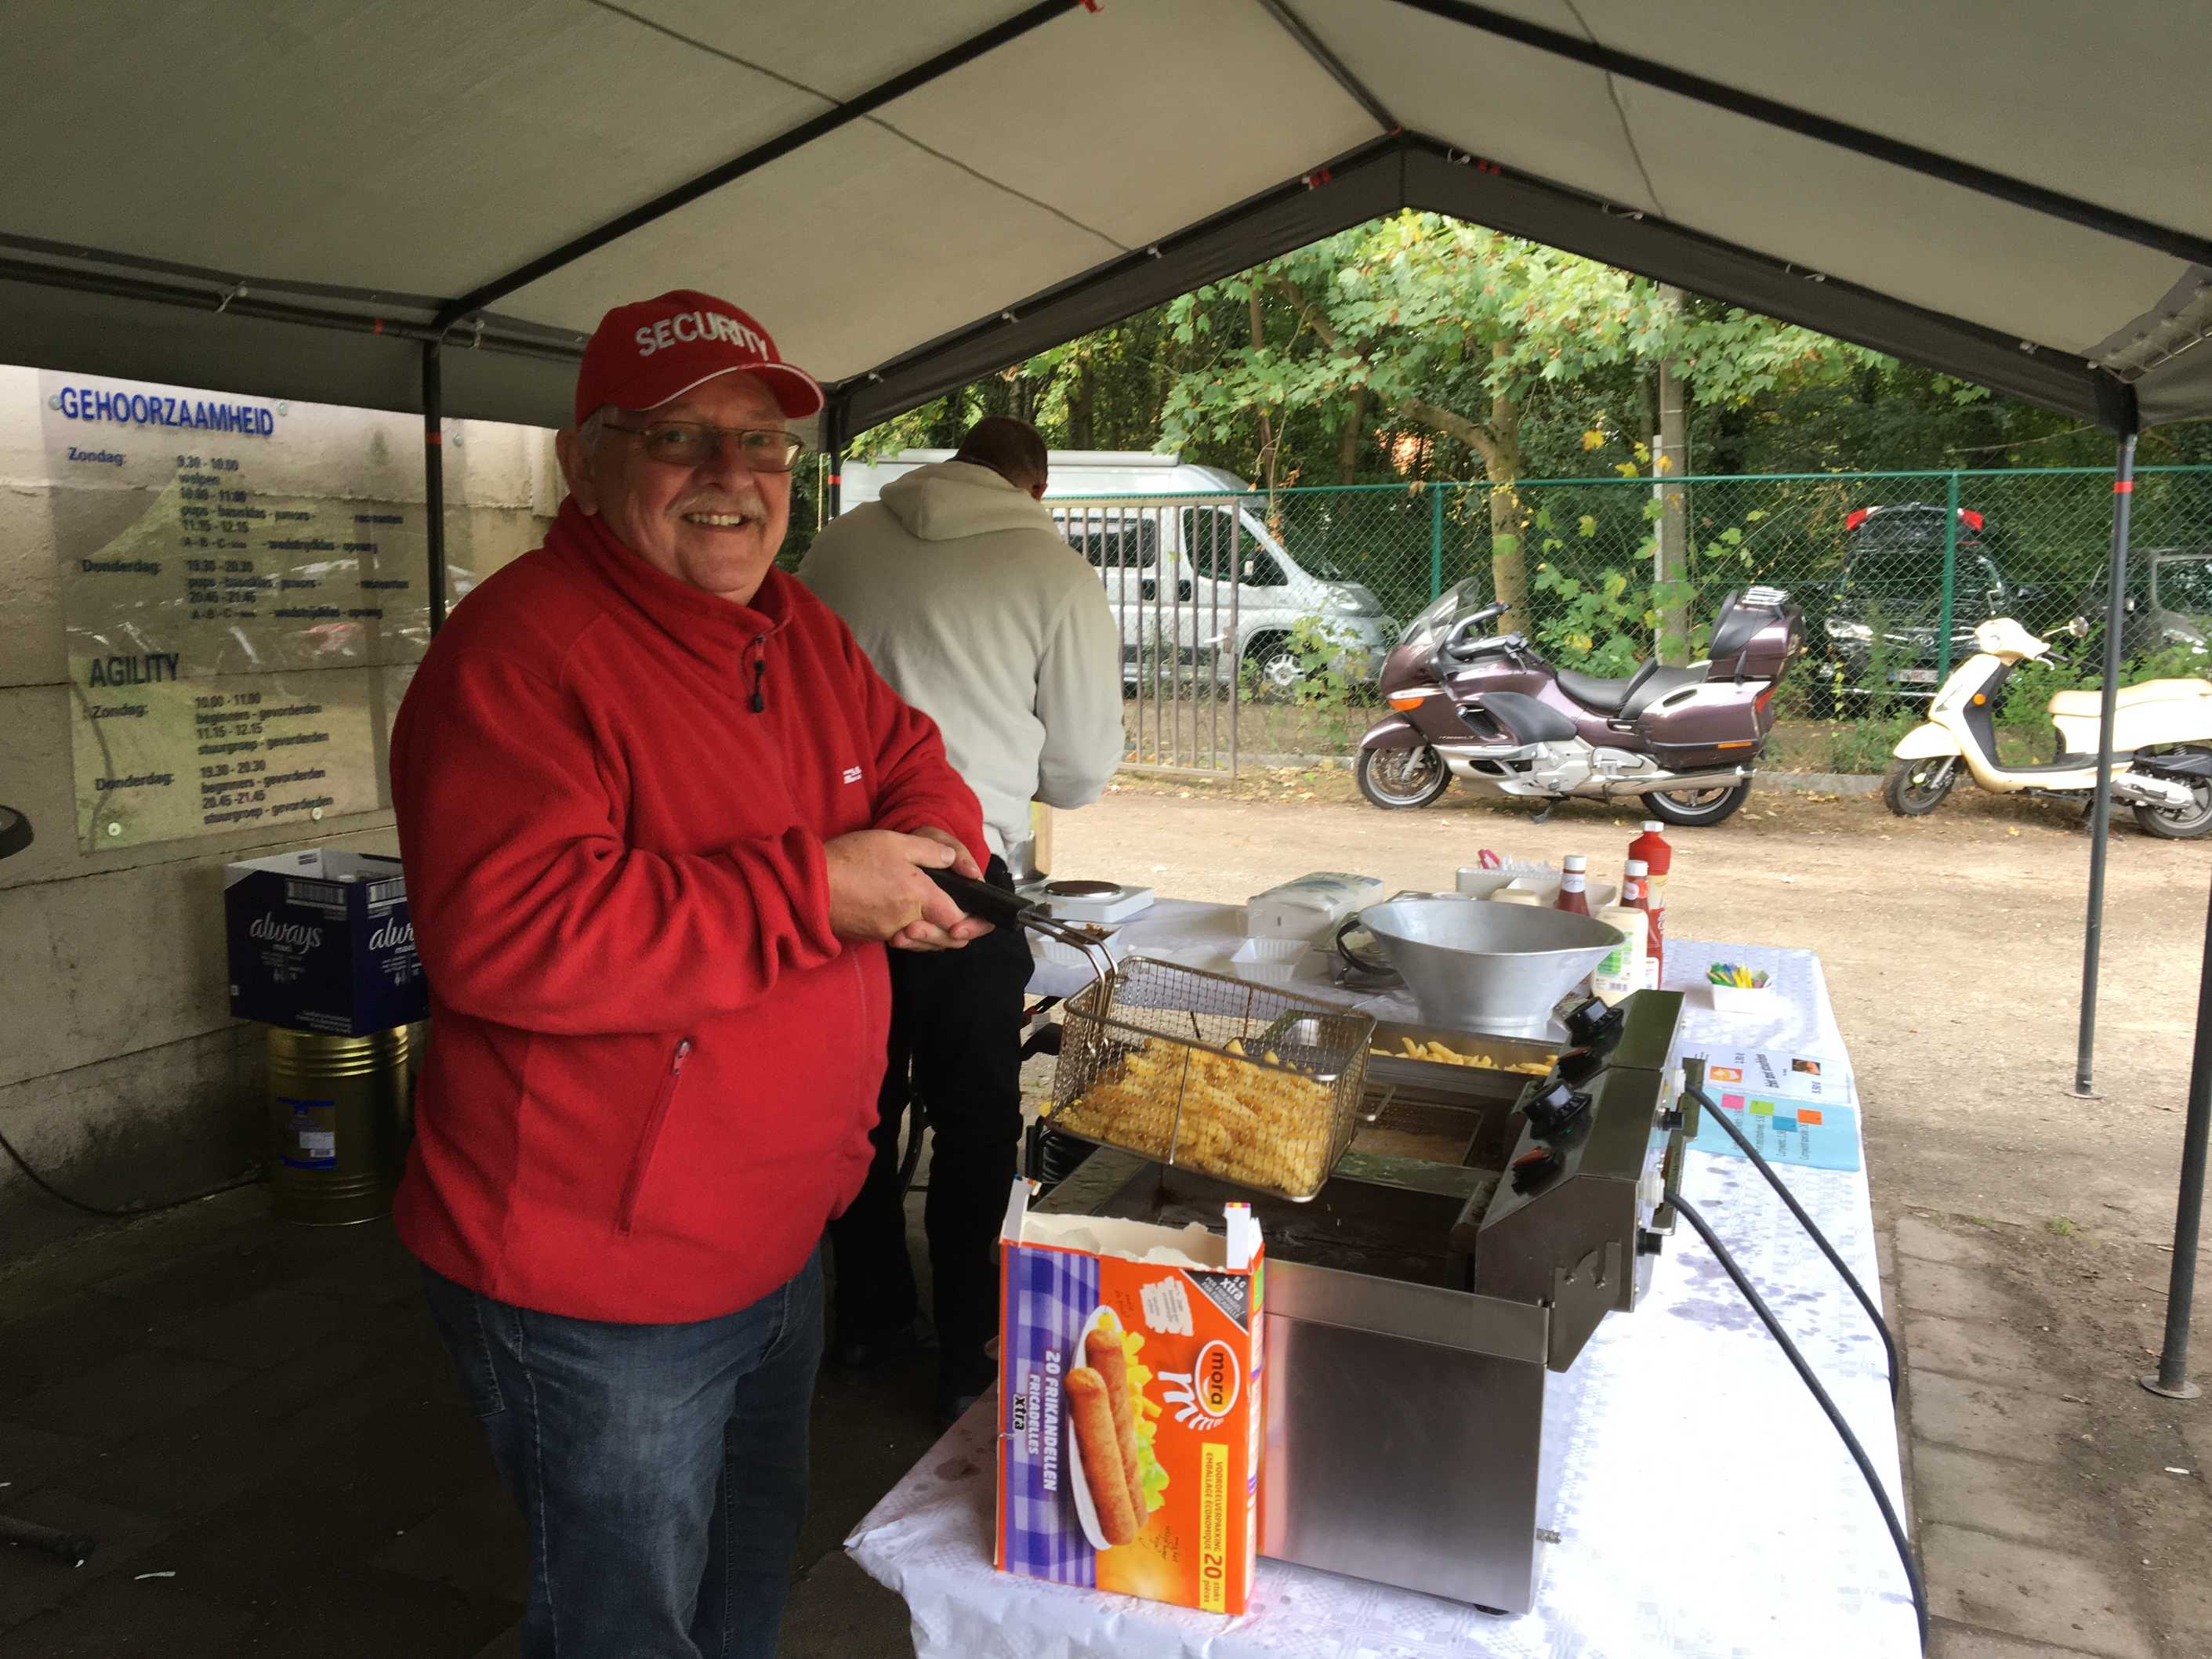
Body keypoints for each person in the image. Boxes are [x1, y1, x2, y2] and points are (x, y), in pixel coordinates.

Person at [387, 288, 991, 1659]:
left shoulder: (796, 624)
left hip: (775, 1232)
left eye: (761, 441)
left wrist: (935, 845)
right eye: (677, 437)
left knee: (739, 1581)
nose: (731, 473)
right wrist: (815, 889)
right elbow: (508, 932)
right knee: (623, 1624)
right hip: (597, 1273)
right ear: (583, 462)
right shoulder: (522, 655)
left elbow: (908, 756)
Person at [799, 416, 1123, 1420]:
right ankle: (968, 1350)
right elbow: (1078, 771)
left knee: (850, 1103)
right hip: (960, 873)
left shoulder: (839, 540)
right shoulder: (1053, 570)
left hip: (833, 872)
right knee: (975, 1113)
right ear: (1034, 487)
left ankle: (866, 1317)